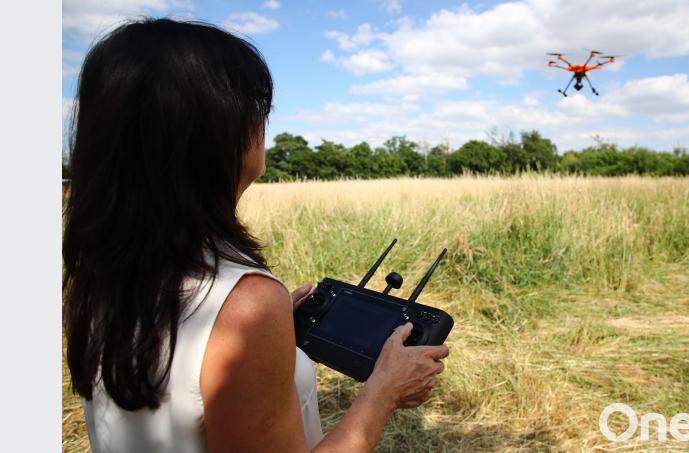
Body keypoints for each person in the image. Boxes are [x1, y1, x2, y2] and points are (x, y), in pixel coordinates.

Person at [62, 18, 449, 453]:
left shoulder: (105, 269)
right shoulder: (243, 304)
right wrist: (384, 392)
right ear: (215, 131)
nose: (263, 124)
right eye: (254, 106)